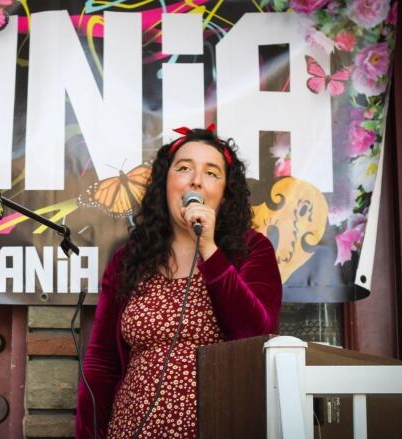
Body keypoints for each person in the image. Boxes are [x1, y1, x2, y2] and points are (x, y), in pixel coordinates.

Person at [75, 127, 282, 438]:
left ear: (225, 192)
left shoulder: (253, 249)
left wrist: (209, 251)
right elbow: (101, 362)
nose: (196, 180)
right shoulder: (129, 258)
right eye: (184, 168)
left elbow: (256, 334)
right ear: (165, 184)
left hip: (222, 427)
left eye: (211, 172)